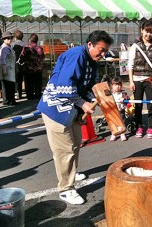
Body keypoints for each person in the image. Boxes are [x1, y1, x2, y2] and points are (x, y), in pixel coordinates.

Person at [37, 30, 113, 205]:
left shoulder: (91, 60)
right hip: (56, 109)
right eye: (100, 50)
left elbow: (87, 85)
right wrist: (83, 103)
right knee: (65, 150)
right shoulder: (77, 55)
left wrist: (96, 98)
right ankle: (66, 188)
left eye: (105, 51)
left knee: (76, 143)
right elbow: (64, 86)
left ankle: (71, 172)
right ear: (90, 45)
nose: (103, 54)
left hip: (71, 109)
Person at [128, 21, 152, 139]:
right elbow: (130, 65)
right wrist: (131, 81)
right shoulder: (135, 46)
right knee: (137, 105)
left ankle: (151, 127)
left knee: (151, 105)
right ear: (141, 31)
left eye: (150, 32)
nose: (148, 34)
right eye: (146, 31)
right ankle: (139, 126)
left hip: (151, 80)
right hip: (137, 80)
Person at [18, 33, 45, 99]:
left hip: (28, 68)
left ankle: (30, 95)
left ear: (30, 39)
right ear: (37, 40)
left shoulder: (26, 48)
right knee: (37, 83)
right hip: (37, 69)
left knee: (28, 83)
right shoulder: (39, 48)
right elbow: (42, 57)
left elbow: (21, 57)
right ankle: (38, 95)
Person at [0, 31, 16, 106]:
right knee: (7, 86)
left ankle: (11, 100)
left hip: (10, 69)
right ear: (4, 39)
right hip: (7, 70)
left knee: (10, 86)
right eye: (7, 38)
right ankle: (8, 101)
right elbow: (3, 60)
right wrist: (4, 70)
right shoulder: (5, 48)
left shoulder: (8, 47)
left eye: (10, 38)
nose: (9, 40)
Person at [110, 76, 128, 142]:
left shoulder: (123, 93)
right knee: (113, 123)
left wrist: (124, 98)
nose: (117, 87)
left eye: (119, 85)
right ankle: (114, 134)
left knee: (121, 122)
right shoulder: (110, 93)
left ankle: (122, 133)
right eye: (115, 85)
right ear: (112, 86)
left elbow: (127, 98)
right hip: (113, 111)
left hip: (121, 110)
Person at [12, 29, 26, 99]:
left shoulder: (13, 44)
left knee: (16, 79)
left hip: (15, 63)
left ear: (15, 37)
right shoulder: (25, 44)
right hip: (23, 64)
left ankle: (16, 92)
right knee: (21, 79)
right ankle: (20, 93)